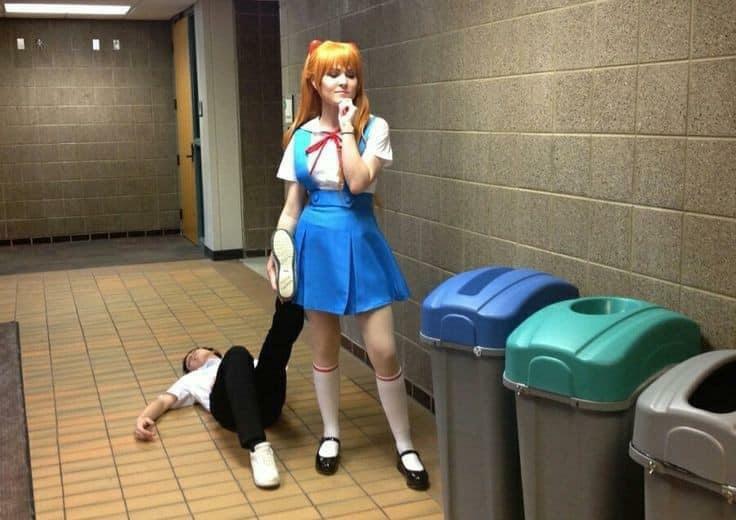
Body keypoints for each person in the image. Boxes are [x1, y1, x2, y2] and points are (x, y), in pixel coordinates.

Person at [266, 39, 429, 491]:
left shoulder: (373, 128)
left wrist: (343, 128)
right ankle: (331, 434)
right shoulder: (298, 138)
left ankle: (404, 443)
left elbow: (358, 182)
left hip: (360, 239)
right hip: (313, 244)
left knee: (383, 349)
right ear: (314, 82)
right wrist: (278, 250)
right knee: (324, 346)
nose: (344, 82)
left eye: (351, 74)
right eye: (334, 74)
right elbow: (291, 207)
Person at [133, 299, 304, 489]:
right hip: (229, 410)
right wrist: (144, 417)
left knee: (274, 343)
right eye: (189, 362)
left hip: (265, 406)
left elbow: (275, 368)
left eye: (194, 353)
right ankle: (258, 448)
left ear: (212, 350)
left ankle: (291, 307)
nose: (193, 358)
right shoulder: (192, 379)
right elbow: (164, 401)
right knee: (238, 352)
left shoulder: (246, 363)